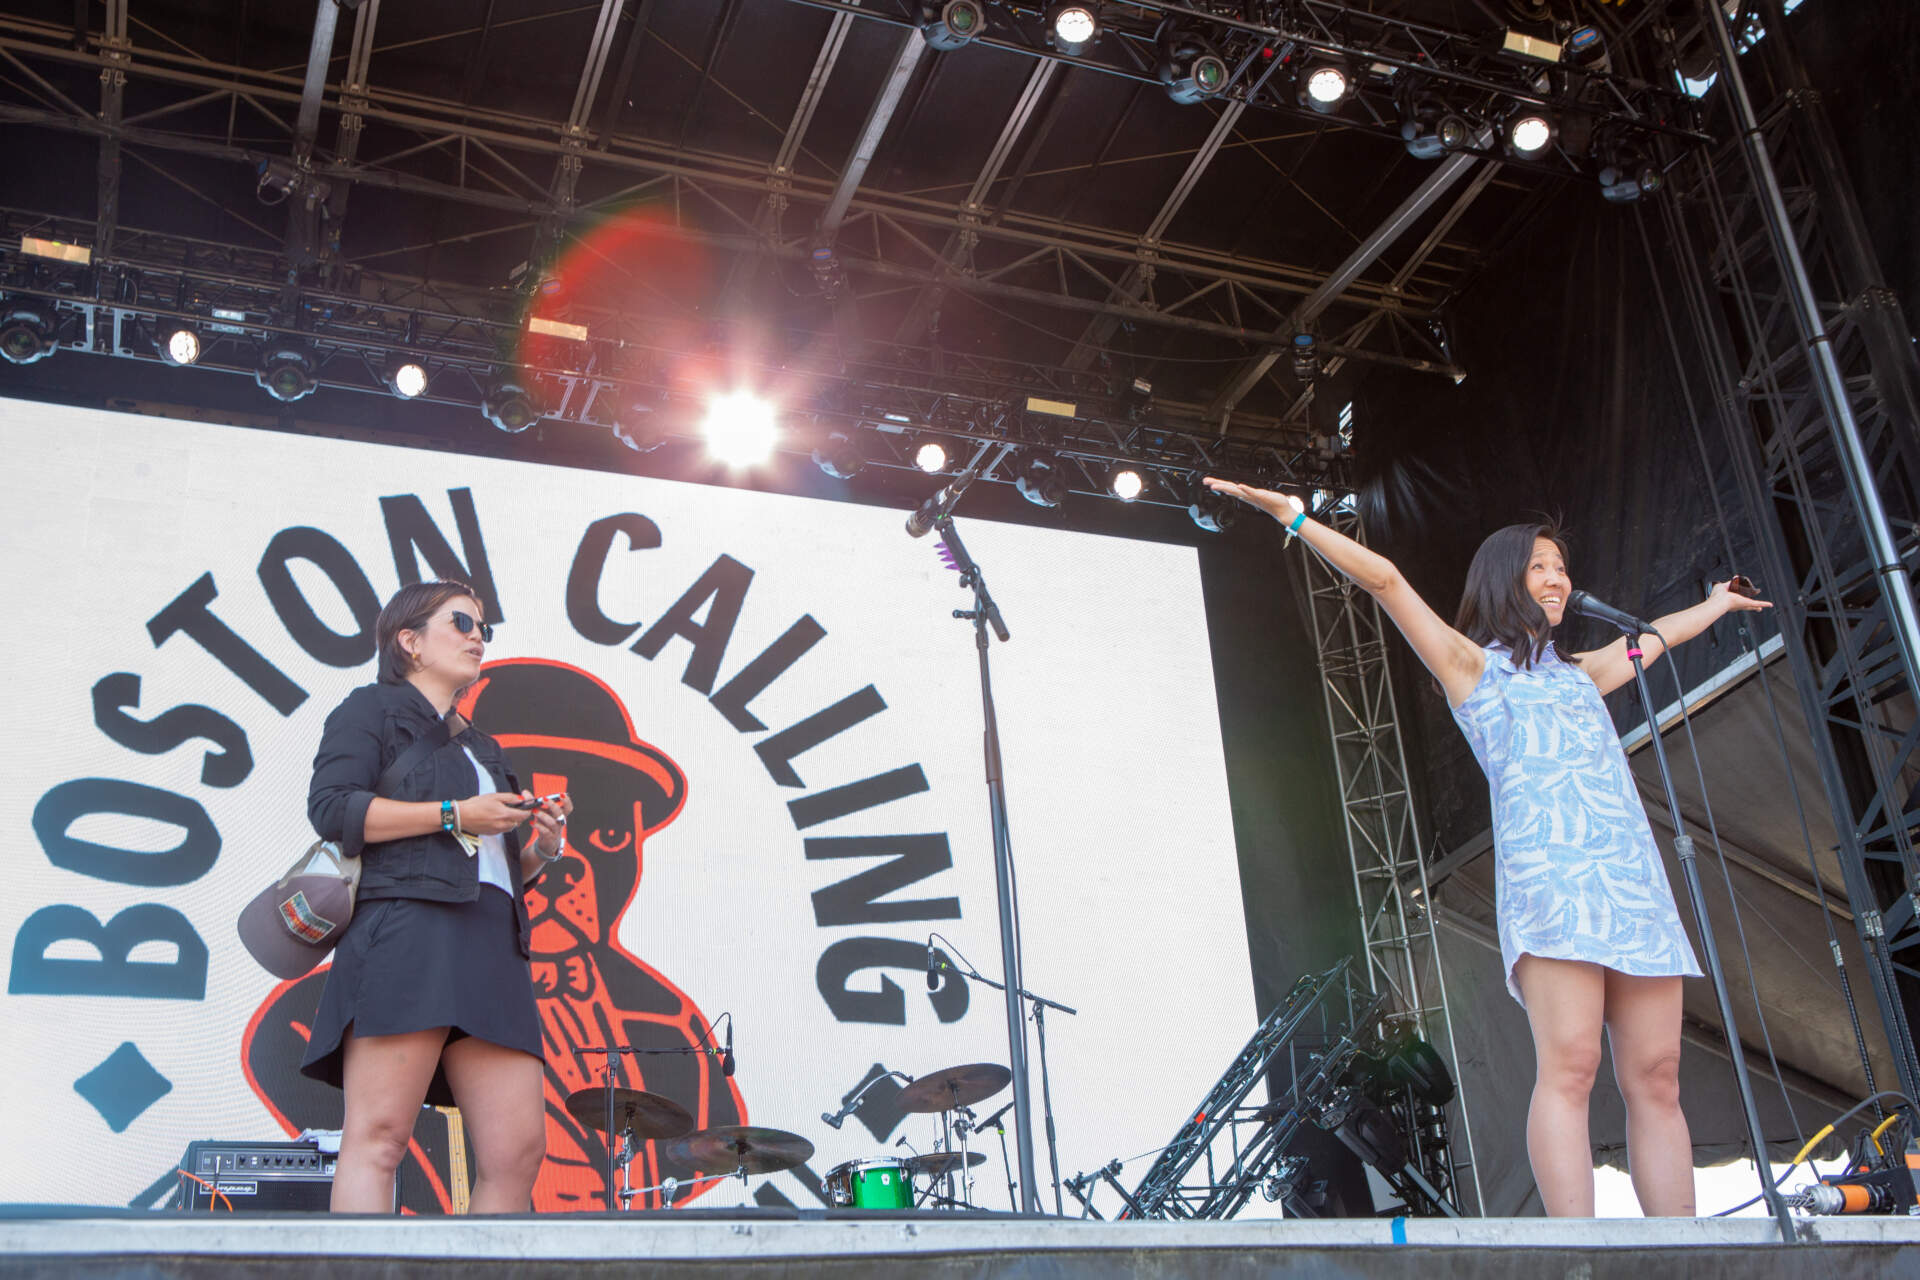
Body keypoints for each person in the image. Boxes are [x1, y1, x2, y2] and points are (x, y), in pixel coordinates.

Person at [1204, 478, 1772, 1218]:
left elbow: (1658, 635)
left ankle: (1685, 1250)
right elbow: (1386, 580)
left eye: (1562, 568)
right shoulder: (1475, 669)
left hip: (1631, 885)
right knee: (1571, 1065)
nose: (1557, 578)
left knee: (1657, 1073)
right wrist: (1296, 516)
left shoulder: (1584, 673)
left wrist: (1720, 604)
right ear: (1506, 579)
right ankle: (1579, 1256)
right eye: (1540, 566)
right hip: (1553, 887)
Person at [302, 580, 574, 1213]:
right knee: (379, 1138)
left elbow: (491, 868)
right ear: (409, 641)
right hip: (408, 935)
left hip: (490, 947)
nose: (478, 636)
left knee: (515, 1153)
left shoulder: (482, 745)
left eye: (484, 628)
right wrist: (456, 813)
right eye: (461, 622)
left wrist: (540, 847)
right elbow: (333, 808)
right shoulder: (368, 710)